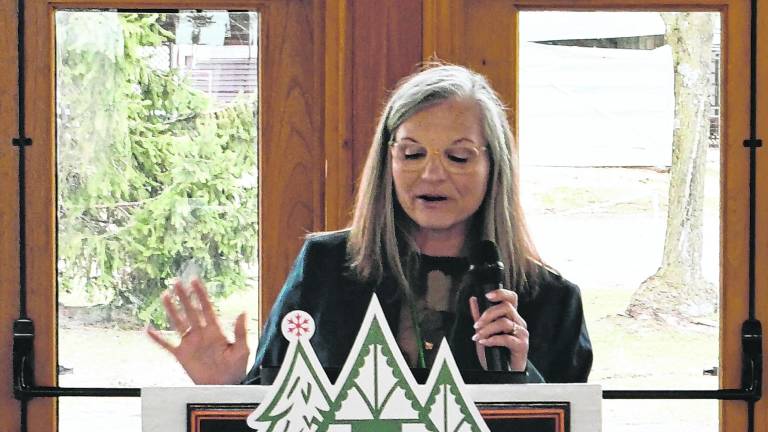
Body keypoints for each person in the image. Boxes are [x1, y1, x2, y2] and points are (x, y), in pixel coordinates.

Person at [147, 63, 593, 385]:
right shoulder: (325, 267)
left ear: (495, 167)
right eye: (412, 154)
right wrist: (225, 389)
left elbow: (569, 417)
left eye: (458, 156)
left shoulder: (552, 300)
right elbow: (269, 411)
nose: (431, 174)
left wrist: (522, 378)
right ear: (388, 162)